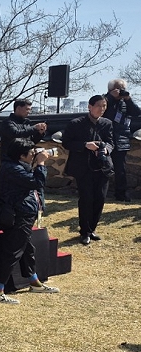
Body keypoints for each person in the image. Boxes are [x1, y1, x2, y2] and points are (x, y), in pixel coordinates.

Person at [0, 138, 59, 304]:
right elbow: (37, 182)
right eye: (31, 152)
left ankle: (34, 282)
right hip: (19, 214)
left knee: (26, 249)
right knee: (13, 251)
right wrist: (40, 164)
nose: (34, 154)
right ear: (21, 155)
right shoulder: (13, 169)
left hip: (23, 212)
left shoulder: (16, 165)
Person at [62, 94, 114, 245]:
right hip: (83, 168)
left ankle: (92, 229)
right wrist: (85, 145)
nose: (102, 109)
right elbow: (66, 142)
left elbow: (111, 142)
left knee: (100, 198)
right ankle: (84, 231)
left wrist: (106, 149)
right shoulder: (76, 123)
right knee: (86, 199)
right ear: (90, 107)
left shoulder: (107, 123)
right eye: (99, 106)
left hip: (102, 166)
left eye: (104, 106)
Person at [102, 78, 140, 201]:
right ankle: (100, 192)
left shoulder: (125, 103)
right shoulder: (104, 100)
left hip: (121, 140)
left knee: (120, 170)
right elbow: (100, 112)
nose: (121, 91)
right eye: (118, 89)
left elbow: (137, 112)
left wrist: (128, 99)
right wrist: (111, 97)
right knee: (103, 167)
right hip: (106, 139)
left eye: (123, 89)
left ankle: (121, 194)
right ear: (110, 90)